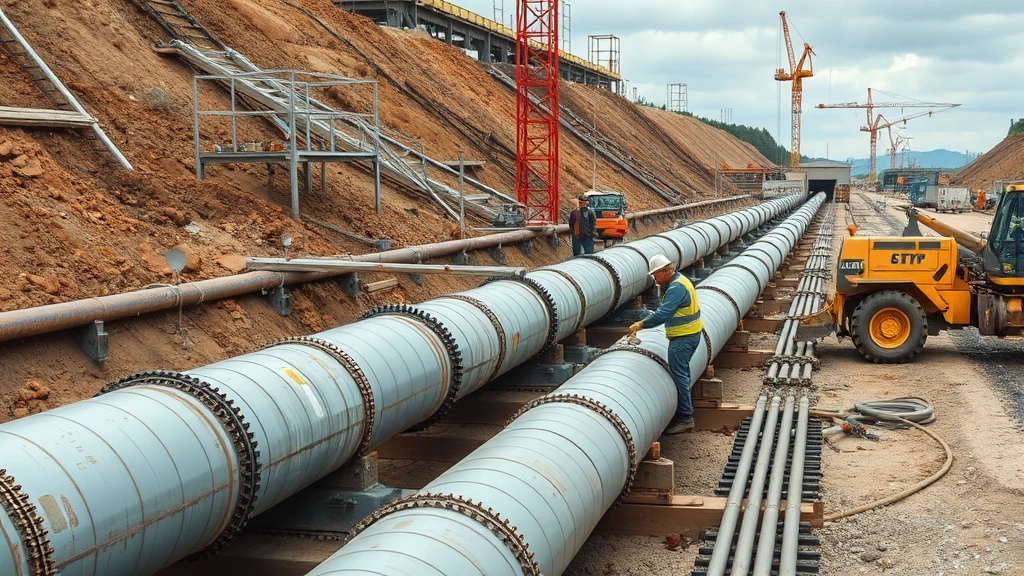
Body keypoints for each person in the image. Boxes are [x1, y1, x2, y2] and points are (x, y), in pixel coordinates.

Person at [629, 254, 702, 435]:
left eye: (655, 274)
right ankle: (684, 409)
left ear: (665, 271)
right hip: (688, 335)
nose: (654, 278)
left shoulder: (676, 287)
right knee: (682, 373)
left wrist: (641, 324)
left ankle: (685, 418)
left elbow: (664, 313)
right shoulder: (677, 281)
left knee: (679, 375)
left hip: (684, 338)